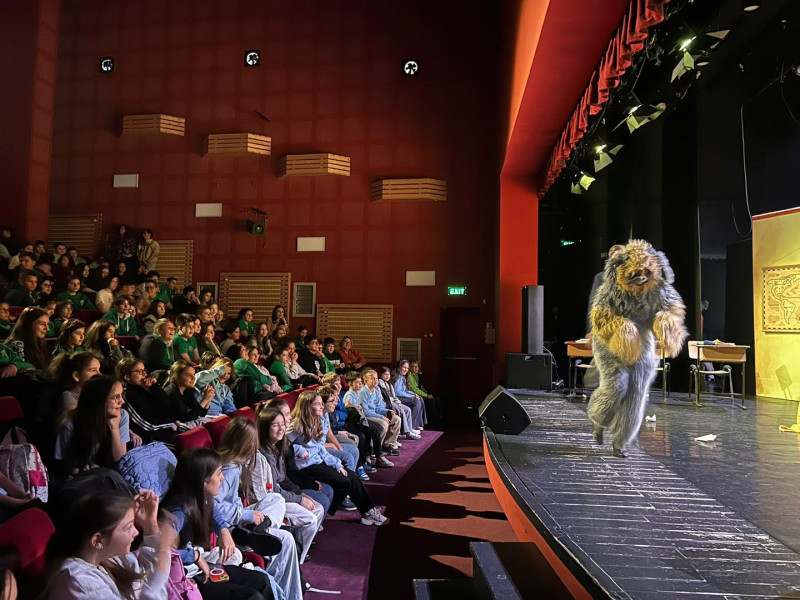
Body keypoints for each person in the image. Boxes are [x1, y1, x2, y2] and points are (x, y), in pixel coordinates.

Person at [161, 447, 276, 600]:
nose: (222, 478)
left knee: (262, 581)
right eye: (218, 473)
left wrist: (223, 530)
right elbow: (159, 552)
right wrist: (195, 556)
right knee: (251, 597)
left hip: (196, 566)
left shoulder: (202, 498)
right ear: (203, 481)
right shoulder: (177, 513)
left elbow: (213, 511)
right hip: (182, 577)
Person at [215, 419, 304, 600]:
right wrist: (247, 515)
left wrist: (246, 513)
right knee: (286, 539)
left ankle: (259, 528)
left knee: (276, 499)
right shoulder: (229, 469)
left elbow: (233, 500)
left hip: (240, 521)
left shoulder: (235, 464)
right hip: (231, 527)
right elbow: (214, 507)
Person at [44, 489, 172, 600]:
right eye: (128, 527)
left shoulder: (106, 559)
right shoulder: (80, 582)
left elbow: (146, 572)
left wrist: (150, 525)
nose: (136, 532)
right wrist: (163, 551)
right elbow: (152, 587)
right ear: (97, 541)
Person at [287, 391, 388, 525]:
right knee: (344, 481)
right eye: (318, 404)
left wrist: (337, 464)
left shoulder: (317, 420)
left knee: (352, 476)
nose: (322, 406)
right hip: (305, 466)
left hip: (317, 461)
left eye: (321, 403)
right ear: (307, 406)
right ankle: (325, 513)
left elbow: (320, 449)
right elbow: (281, 443)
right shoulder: (298, 424)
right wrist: (299, 449)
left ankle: (369, 511)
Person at [254, 407, 326, 564]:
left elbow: (284, 479)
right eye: (275, 425)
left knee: (318, 508)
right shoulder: (262, 454)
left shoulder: (278, 445)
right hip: (270, 501)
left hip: (282, 494)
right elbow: (272, 490)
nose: (281, 429)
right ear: (265, 428)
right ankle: (294, 560)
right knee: (310, 519)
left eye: (283, 424)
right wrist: (298, 499)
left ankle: (298, 556)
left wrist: (299, 494)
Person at [54, 375, 135, 476]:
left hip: (110, 473)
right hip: (83, 476)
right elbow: (68, 467)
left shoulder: (122, 416)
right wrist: (89, 469)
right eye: (115, 397)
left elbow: (120, 461)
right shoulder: (70, 424)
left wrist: (114, 427)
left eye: (121, 395)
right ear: (99, 401)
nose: (122, 401)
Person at [116, 357, 185, 446]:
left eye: (144, 370)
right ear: (127, 376)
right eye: (139, 372)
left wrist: (154, 387)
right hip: (150, 436)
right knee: (185, 444)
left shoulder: (143, 388)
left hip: (162, 428)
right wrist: (170, 424)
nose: (144, 374)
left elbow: (166, 406)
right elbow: (146, 424)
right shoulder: (127, 395)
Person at [343, 371, 392, 467]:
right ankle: (368, 455)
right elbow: (347, 404)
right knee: (369, 431)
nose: (360, 384)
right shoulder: (350, 394)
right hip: (353, 422)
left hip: (359, 419)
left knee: (376, 429)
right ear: (350, 384)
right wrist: (356, 407)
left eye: (360, 382)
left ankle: (377, 455)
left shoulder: (356, 393)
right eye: (357, 383)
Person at [357, 369, 402, 454]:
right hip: (367, 417)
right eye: (372, 379)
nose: (375, 380)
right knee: (384, 424)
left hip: (375, 414)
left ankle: (387, 445)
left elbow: (378, 408)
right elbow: (366, 412)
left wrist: (388, 411)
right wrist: (382, 417)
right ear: (366, 381)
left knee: (396, 419)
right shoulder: (363, 392)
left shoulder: (376, 391)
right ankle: (377, 449)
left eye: (376, 378)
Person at [379, 366, 420, 439]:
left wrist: (398, 402)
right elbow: (386, 397)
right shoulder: (380, 383)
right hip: (387, 403)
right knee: (401, 410)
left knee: (407, 409)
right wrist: (394, 402)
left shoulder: (389, 383)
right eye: (385, 374)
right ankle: (407, 433)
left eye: (388, 374)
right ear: (380, 375)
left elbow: (394, 395)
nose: (387, 376)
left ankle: (409, 429)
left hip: (393, 401)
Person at [4, 306, 50, 370]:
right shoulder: (17, 345)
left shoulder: (39, 343)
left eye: (47, 324)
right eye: (42, 324)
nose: (47, 328)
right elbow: (24, 372)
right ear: (28, 325)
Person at [393, 360, 429, 431]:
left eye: (407, 368)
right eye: (404, 367)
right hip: (397, 398)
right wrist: (411, 396)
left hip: (402, 396)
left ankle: (419, 424)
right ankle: (412, 426)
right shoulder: (396, 377)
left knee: (420, 398)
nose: (406, 370)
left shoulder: (403, 377)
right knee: (416, 401)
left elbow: (405, 390)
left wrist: (413, 394)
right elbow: (397, 392)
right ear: (399, 367)